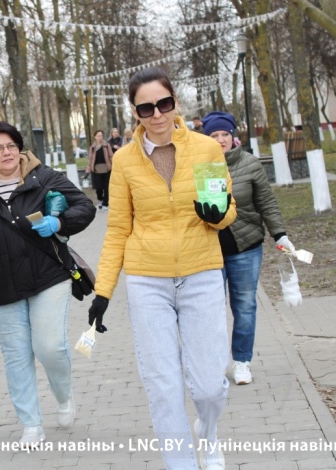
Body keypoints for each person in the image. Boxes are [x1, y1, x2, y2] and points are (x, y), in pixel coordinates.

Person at [86, 67, 236, 470]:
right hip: (147, 280)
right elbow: (117, 229)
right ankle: (181, 463)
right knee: (164, 385)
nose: (157, 114)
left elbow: (226, 212)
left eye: (163, 104)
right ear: (135, 113)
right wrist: (103, 291)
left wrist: (217, 212)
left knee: (208, 386)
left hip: (201, 272)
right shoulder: (125, 160)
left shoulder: (206, 149)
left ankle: (209, 430)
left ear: (175, 103)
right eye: (146, 108)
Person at [0, 121, 96, 448]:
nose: (6, 153)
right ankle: (31, 424)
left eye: (11, 146)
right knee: (16, 356)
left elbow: (85, 207)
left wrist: (59, 221)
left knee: (49, 346)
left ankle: (64, 396)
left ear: (20, 148)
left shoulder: (45, 178)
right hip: (1, 287)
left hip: (47, 277)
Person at [202, 111, 295, 386]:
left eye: (225, 134)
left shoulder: (250, 164)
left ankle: (242, 362)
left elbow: (267, 202)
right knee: (210, 309)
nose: (220, 140)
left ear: (233, 136)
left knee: (244, 306)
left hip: (246, 247)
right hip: (209, 250)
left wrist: (280, 234)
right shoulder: (200, 166)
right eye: (214, 135)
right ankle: (215, 362)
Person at [86, 130, 113, 211]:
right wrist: (89, 168)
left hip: (107, 169)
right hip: (96, 170)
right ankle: (100, 200)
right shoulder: (93, 147)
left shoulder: (107, 145)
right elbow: (90, 159)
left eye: (101, 135)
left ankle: (105, 204)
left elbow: (111, 156)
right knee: (99, 188)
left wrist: (113, 165)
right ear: (95, 137)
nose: (100, 137)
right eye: (98, 136)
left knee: (107, 187)